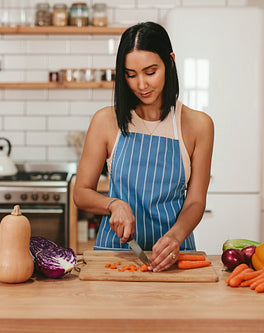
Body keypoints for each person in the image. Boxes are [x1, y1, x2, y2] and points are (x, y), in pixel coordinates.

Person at [73, 22, 214, 272]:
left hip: (175, 255)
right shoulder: (106, 121)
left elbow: (195, 201)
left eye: (150, 72)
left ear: (169, 62)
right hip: (115, 255)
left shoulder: (198, 125)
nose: (141, 85)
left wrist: (175, 237)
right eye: (131, 74)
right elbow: (81, 192)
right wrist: (113, 204)